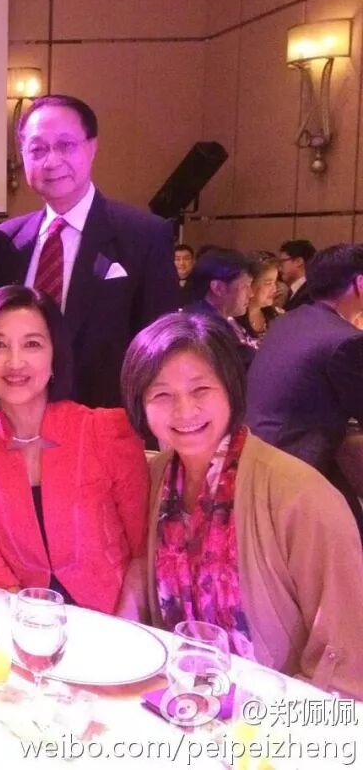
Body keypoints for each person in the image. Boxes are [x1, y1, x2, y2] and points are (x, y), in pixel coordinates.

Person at [120, 312, 363, 697]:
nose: (185, 411)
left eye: (201, 389)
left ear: (230, 388)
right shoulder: (152, 478)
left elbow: (348, 663)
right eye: (162, 395)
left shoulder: (301, 497)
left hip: (272, 719)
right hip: (175, 703)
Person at [0, 286, 148, 614]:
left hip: (116, 619)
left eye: (32, 344)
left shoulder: (109, 430)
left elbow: (143, 551)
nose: (15, 361)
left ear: (55, 357)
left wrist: (123, 626)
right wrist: (28, 626)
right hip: (25, 619)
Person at [0, 94, 178, 409]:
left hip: (104, 420)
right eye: (37, 149)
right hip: (15, 421)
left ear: (92, 147)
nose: (52, 161)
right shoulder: (3, 242)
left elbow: (162, 347)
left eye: (66, 145)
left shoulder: (144, 236)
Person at [246, 243, 363, 532]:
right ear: (360, 283)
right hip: (297, 463)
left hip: (260, 452)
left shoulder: (291, 320)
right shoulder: (344, 340)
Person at [182, 247, 255, 367]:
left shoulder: (200, 314)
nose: (251, 294)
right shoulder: (204, 328)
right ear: (218, 288)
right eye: (245, 286)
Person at [235, 252, 281, 342]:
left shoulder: (278, 316)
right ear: (249, 284)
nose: (274, 289)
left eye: (275, 282)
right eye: (268, 283)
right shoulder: (231, 322)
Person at [278, 238, 316, 311]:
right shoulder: (295, 291)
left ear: (298, 261)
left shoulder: (309, 294)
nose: (279, 269)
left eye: (282, 261)